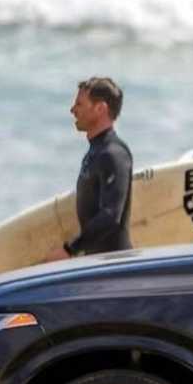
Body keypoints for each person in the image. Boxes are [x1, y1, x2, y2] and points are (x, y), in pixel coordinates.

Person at [44, 77, 133, 261]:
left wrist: (70, 249)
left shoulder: (114, 154)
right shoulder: (95, 152)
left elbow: (110, 215)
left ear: (100, 109)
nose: (72, 110)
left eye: (79, 104)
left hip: (113, 266)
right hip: (96, 263)